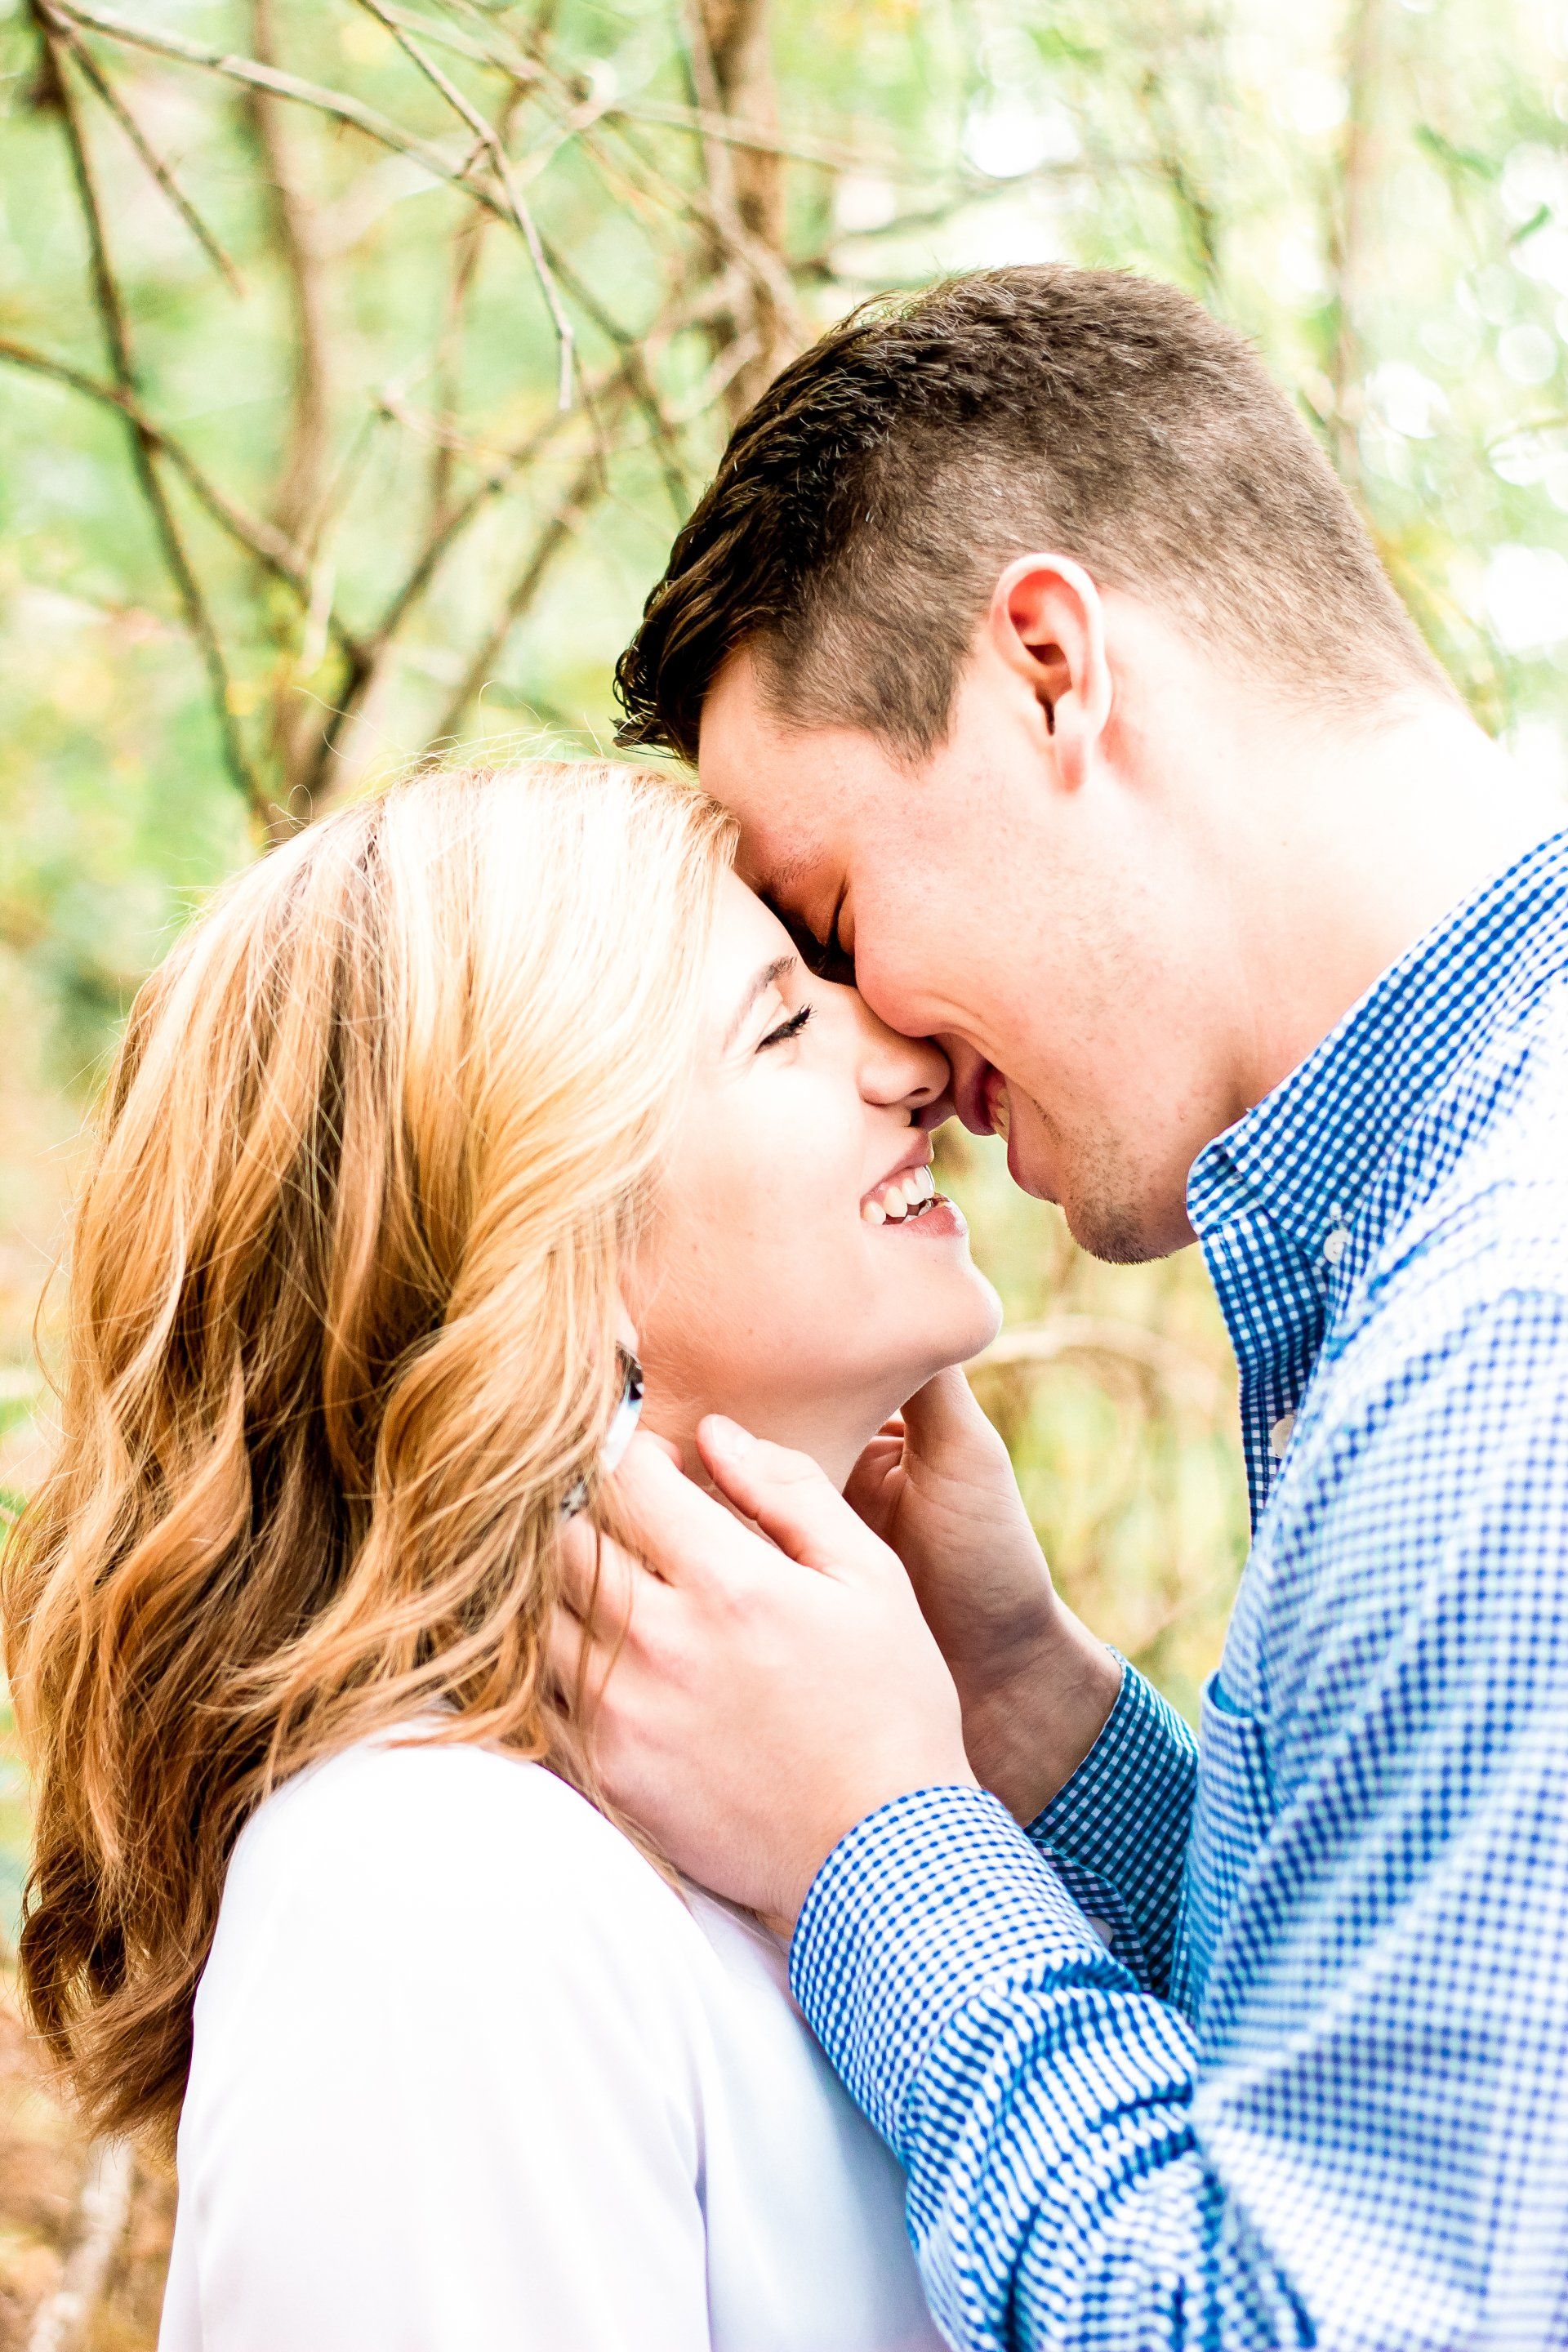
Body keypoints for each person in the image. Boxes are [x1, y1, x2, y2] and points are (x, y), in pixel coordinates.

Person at [565, 266, 1568, 2350]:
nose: (894, 1054)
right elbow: (1448, 2101)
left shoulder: (1502, 1342)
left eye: (836, 919)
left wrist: (874, 1841)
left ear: (1046, 671)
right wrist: (1029, 1711)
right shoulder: (1453, 1248)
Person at [4, 755, 1040, 2352]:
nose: (909, 1055)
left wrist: (1011, 1695)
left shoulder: (778, 1841)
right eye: (781, 1023)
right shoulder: (431, 1892)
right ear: (538, 1249)